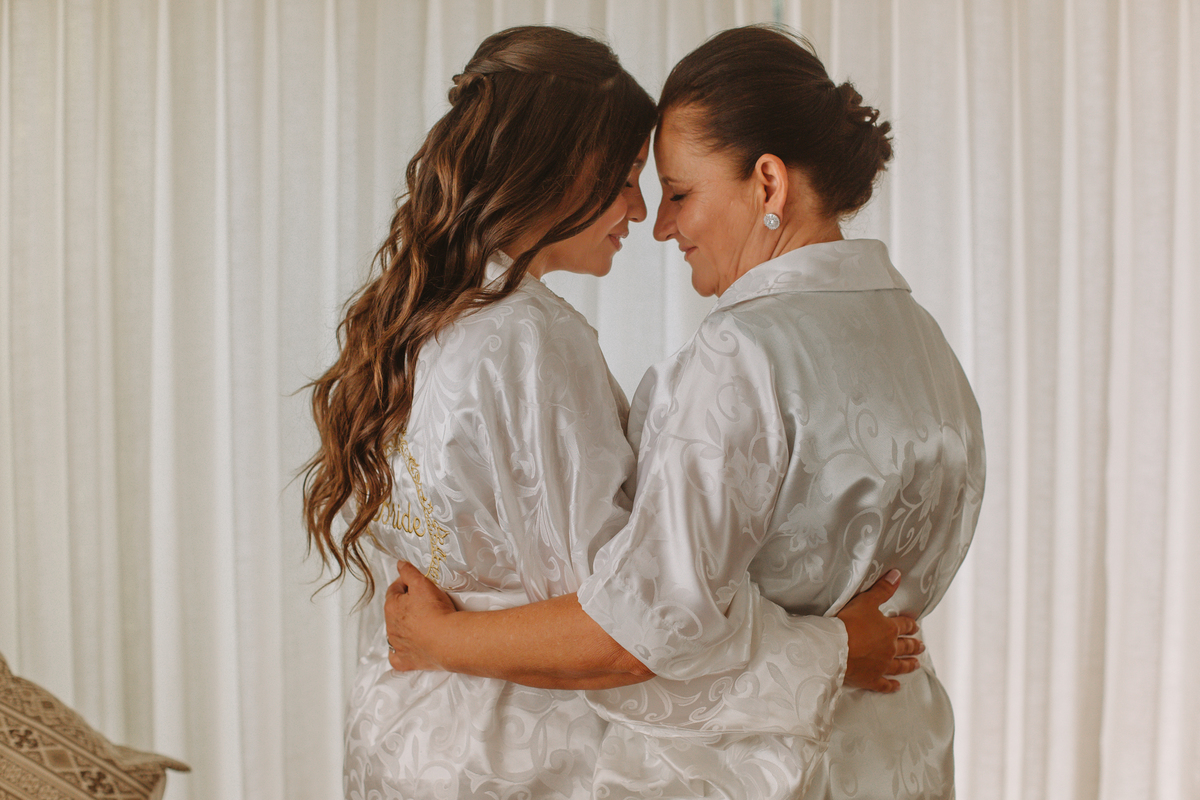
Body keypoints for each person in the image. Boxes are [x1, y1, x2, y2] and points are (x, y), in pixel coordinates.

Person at [302, 25, 910, 800]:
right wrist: (830, 651)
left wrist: (437, 636)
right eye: (625, 175)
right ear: (555, 166)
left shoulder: (412, 321)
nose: (639, 209)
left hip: (405, 731)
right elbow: (622, 631)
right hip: (522, 757)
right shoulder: (528, 338)